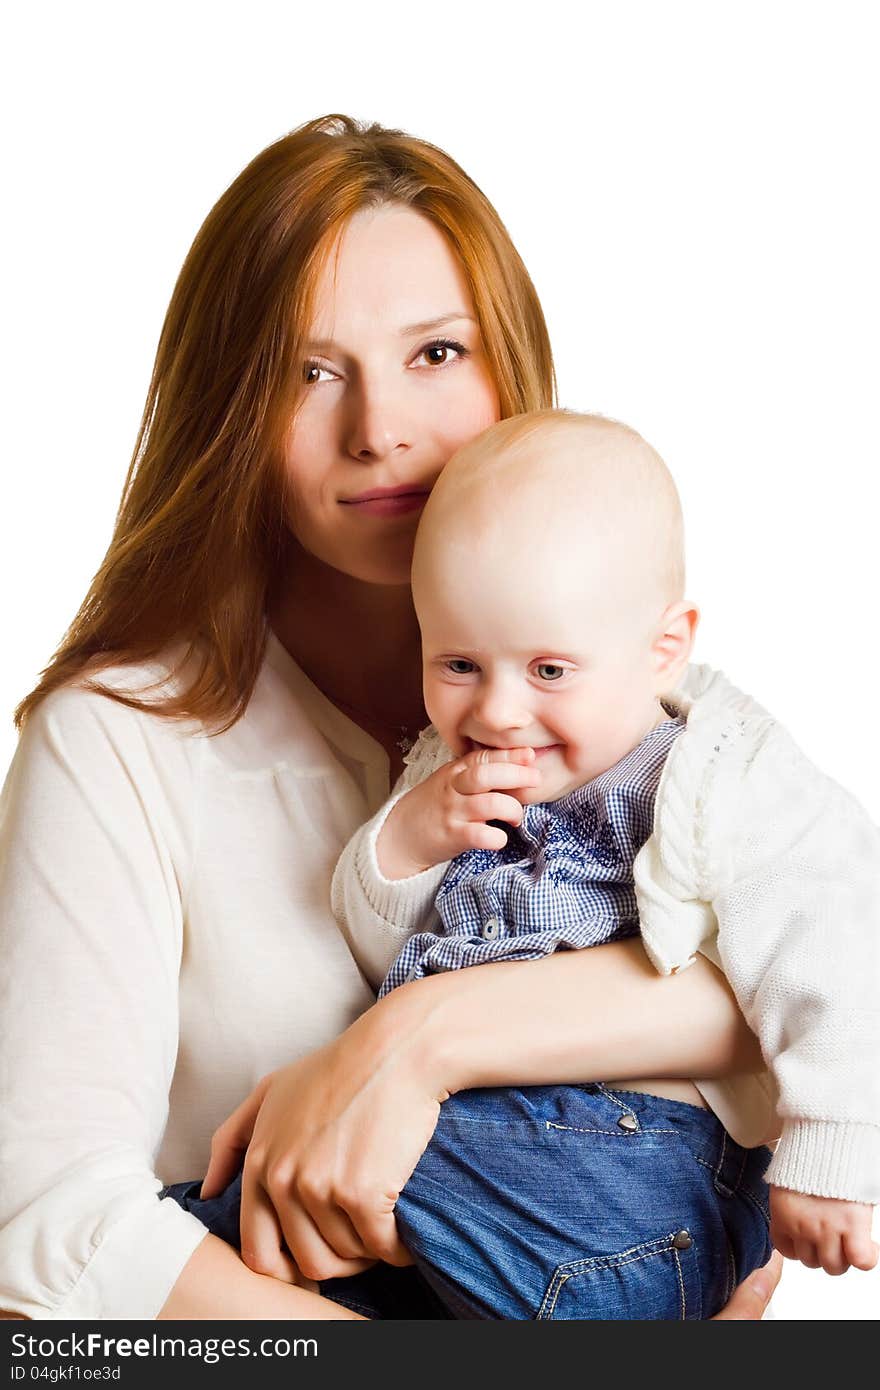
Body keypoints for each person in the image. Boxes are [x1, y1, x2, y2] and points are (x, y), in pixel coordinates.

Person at [0, 115, 804, 1321]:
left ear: (509, 365)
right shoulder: (114, 736)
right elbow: (45, 1225)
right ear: (230, 408)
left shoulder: (637, 706)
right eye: (307, 371)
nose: (378, 427)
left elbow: (790, 1013)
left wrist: (414, 1038)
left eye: (434, 353)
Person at [171, 411, 880, 1317]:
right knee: (265, 1219)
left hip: (643, 1156)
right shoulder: (448, 768)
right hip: (501, 1141)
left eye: (549, 671)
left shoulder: (719, 772)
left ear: (663, 646)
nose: (500, 711)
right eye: (460, 663)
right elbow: (375, 940)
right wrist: (410, 843)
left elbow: (840, 940)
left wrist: (832, 1152)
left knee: (271, 1192)